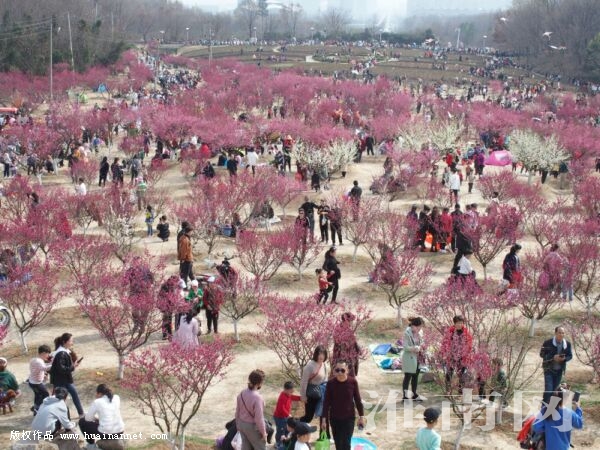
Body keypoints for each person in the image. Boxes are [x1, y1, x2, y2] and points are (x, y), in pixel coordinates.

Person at [320, 360, 365, 450]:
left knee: (346, 443)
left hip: (349, 418)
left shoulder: (353, 382)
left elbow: (358, 400)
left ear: (347, 370)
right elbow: (326, 402)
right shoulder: (330, 383)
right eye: (337, 370)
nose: (340, 373)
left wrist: (361, 416)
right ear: (334, 371)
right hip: (335, 418)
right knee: (338, 443)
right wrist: (324, 420)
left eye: (342, 370)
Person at [79, 384, 125, 449]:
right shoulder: (117, 397)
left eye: (96, 393)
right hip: (120, 431)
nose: (96, 395)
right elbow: (109, 414)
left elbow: (88, 419)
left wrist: (95, 418)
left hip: (106, 433)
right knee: (101, 421)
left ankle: (91, 445)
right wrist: (98, 419)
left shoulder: (97, 402)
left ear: (100, 393)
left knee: (82, 422)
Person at [49, 333, 84, 417]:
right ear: (64, 342)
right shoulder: (61, 353)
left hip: (65, 379)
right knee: (58, 399)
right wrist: (73, 367)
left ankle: (81, 413)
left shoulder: (64, 352)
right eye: (71, 341)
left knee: (73, 395)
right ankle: (53, 414)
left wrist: (73, 366)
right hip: (60, 381)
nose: (72, 343)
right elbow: (62, 369)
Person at [235, 369, 267, 450]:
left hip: (241, 424)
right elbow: (259, 419)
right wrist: (264, 433)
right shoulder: (258, 398)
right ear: (259, 383)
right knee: (260, 448)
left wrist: (238, 424)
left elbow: (237, 411)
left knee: (245, 448)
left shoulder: (242, 393)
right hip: (252, 427)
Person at [540, 326, 573, 405]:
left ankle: (551, 409)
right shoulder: (547, 342)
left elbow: (570, 355)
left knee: (555, 391)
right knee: (548, 390)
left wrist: (564, 359)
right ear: (555, 333)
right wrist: (553, 357)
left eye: (563, 333)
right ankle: (543, 408)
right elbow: (542, 354)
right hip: (548, 369)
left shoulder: (567, 344)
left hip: (559, 371)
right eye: (559, 333)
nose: (561, 334)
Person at [441, 315, 473, 393]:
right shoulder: (450, 332)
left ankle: (460, 390)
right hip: (451, 356)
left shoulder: (466, 333)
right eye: (458, 323)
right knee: (449, 373)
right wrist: (445, 353)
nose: (460, 324)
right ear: (454, 323)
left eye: (461, 323)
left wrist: (466, 353)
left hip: (462, 357)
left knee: (462, 374)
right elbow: (444, 343)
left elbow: (469, 345)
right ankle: (448, 390)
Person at [300, 346, 328, 425]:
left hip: (321, 393)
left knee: (322, 415)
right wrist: (303, 396)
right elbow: (304, 382)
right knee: (308, 417)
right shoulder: (310, 366)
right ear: (316, 354)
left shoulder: (325, 365)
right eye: (319, 354)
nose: (321, 356)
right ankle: (295, 426)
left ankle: (323, 432)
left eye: (323, 354)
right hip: (311, 394)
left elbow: (325, 380)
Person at [402, 317, 427, 402]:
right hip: (409, 358)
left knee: (415, 376)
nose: (420, 328)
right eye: (419, 326)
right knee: (407, 377)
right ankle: (405, 397)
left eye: (421, 327)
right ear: (413, 326)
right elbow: (405, 347)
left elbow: (422, 343)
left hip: (418, 357)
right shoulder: (407, 333)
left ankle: (414, 394)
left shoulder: (420, 332)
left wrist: (422, 347)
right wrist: (415, 348)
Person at [273, 381, 301, 447]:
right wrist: (288, 414)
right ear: (285, 389)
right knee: (281, 431)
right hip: (279, 417)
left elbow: (292, 397)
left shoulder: (288, 394)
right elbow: (281, 408)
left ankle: (284, 441)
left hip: (285, 416)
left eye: (292, 391)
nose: (291, 393)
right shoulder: (282, 397)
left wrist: (300, 398)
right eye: (290, 391)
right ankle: (278, 443)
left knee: (287, 429)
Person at [332, 313, 361, 377]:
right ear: (345, 320)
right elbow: (338, 343)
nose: (351, 323)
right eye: (350, 321)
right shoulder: (338, 329)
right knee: (340, 374)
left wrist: (357, 348)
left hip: (349, 357)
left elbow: (354, 342)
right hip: (341, 357)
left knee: (350, 376)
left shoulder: (349, 329)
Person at [28, 345, 53, 415]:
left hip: (32, 381)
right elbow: (44, 368)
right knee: (46, 394)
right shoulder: (38, 361)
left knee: (38, 395)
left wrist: (43, 375)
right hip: (36, 383)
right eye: (48, 354)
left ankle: (36, 408)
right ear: (43, 353)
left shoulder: (34, 359)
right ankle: (39, 409)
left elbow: (39, 368)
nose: (48, 356)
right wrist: (54, 364)